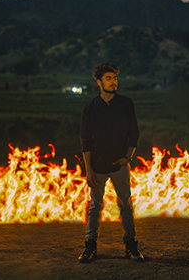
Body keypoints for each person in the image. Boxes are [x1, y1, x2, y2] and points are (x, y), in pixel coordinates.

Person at [78, 62, 144, 263]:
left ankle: (131, 246)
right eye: (109, 78)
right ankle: (90, 246)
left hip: (119, 165)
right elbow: (85, 141)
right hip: (97, 165)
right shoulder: (90, 107)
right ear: (99, 82)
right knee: (95, 206)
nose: (113, 82)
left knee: (125, 205)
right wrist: (89, 170)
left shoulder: (126, 104)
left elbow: (134, 133)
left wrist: (128, 157)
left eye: (115, 78)